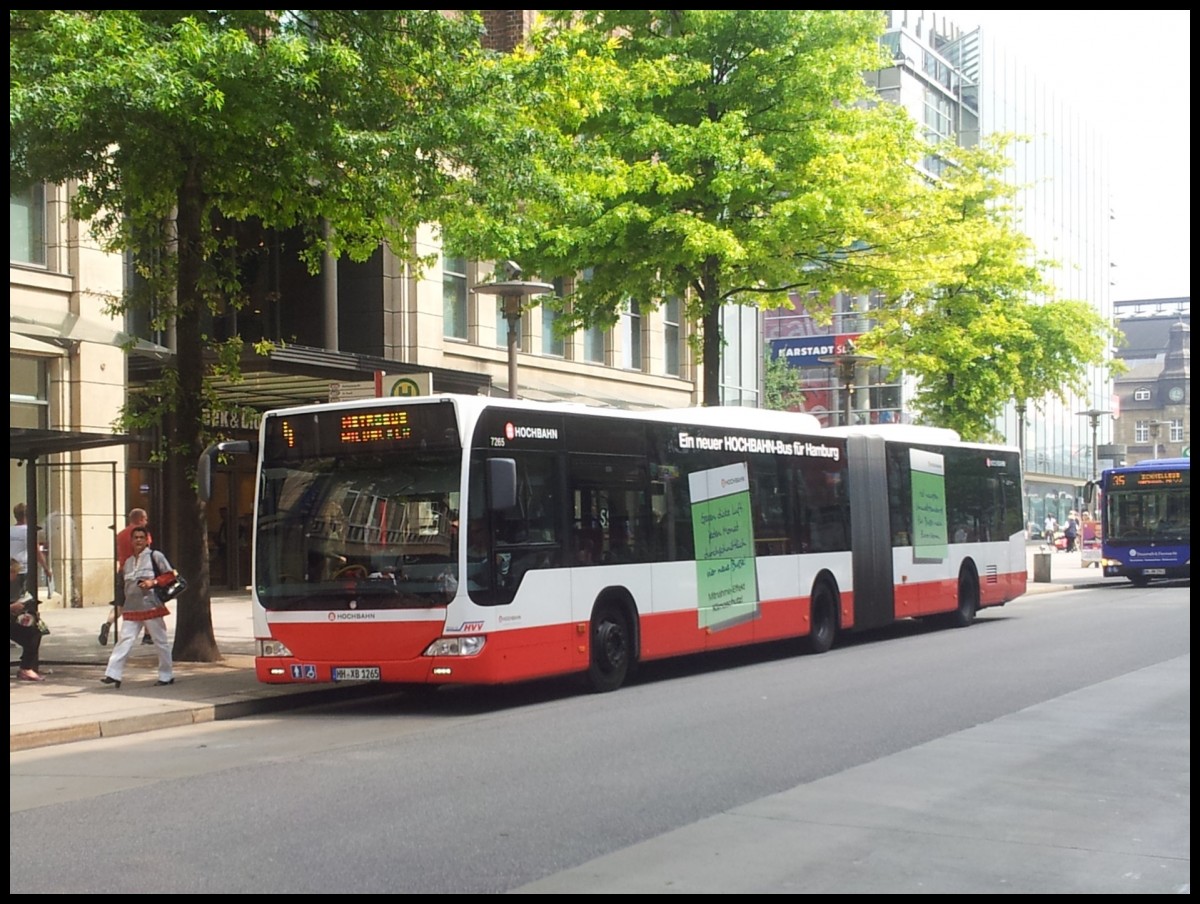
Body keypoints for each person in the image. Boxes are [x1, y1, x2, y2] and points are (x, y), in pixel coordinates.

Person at [101, 526, 174, 689]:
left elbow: (169, 575)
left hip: (151, 605)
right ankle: (113, 673)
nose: (139, 540)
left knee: (160, 641)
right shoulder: (127, 562)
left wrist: (153, 582)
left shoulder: (155, 556)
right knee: (125, 640)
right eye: (136, 537)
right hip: (132, 608)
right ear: (132, 540)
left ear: (147, 539)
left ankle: (166, 675)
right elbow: (123, 584)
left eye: (142, 537)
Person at [100, 508, 154, 646]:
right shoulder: (142, 534)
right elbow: (145, 552)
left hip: (123, 570)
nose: (147, 522)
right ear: (140, 519)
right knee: (146, 602)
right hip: (139, 570)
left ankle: (108, 624)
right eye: (145, 519)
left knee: (120, 604)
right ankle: (147, 635)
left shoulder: (120, 534)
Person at [10, 558, 44, 682]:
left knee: (34, 633)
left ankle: (26, 667)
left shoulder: (15, 585)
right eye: (14, 572)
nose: (15, 576)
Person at [9, 502, 51, 597]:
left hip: (12, 570)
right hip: (24, 569)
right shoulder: (28, 531)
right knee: (24, 598)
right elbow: (37, 552)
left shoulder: (10, 530)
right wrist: (46, 568)